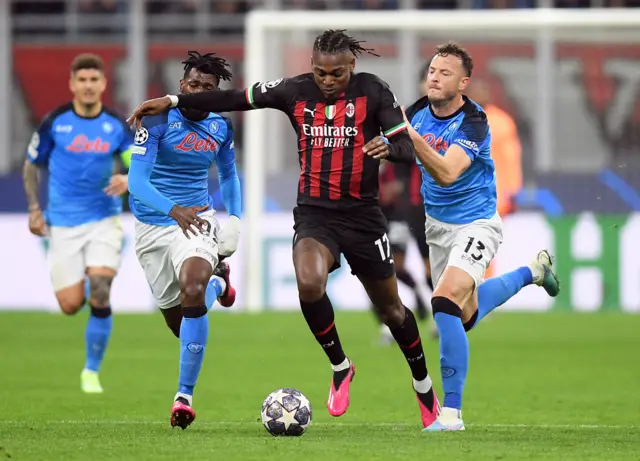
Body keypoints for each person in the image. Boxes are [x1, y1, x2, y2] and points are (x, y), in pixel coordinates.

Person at [128, 29, 441, 429]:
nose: (328, 81)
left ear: (352, 66)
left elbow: (404, 146)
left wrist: (387, 148)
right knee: (309, 284)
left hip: (363, 217)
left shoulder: (374, 92)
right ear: (312, 67)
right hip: (314, 215)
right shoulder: (294, 91)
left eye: (337, 74)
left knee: (392, 310)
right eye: (321, 73)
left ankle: (423, 386)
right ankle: (341, 366)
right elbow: (233, 98)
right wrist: (173, 100)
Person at [402, 42, 560, 431]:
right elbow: (394, 148)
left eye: (445, 73)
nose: (435, 77)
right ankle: (532, 272)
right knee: (464, 315)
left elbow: (447, 172)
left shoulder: (475, 121)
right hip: (437, 226)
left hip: (477, 224)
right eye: (433, 71)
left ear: (464, 82)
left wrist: (406, 136)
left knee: (442, 302)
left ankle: (451, 414)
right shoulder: (417, 112)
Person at [127, 51, 241, 430]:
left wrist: (235, 219)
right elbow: (137, 182)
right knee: (181, 324)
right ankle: (219, 283)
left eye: (207, 88)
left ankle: (184, 396)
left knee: (191, 287)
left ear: (215, 93)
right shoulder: (157, 119)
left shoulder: (222, 127)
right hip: (153, 226)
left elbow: (228, 176)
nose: (199, 92)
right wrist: (172, 209)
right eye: (193, 84)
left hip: (197, 219)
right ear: (181, 86)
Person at [22, 53, 132, 394]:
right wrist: (34, 209)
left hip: (103, 218)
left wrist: (128, 179)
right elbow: (31, 166)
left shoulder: (116, 125)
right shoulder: (55, 122)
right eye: (81, 80)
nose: (87, 86)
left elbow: (135, 161)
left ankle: (90, 371)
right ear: (72, 84)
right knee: (70, 305)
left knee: (100, 291)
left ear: (103, 84)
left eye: (93, 80)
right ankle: (85, 282)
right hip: (63, 223)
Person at [375, 160, 431, 345]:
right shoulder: (382, 166)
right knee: (391, 267)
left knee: (431, 271)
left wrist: (400, 187)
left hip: (420, 217)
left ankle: (441, 319)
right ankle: (391, 324)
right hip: (394, 218)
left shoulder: (411, 159)